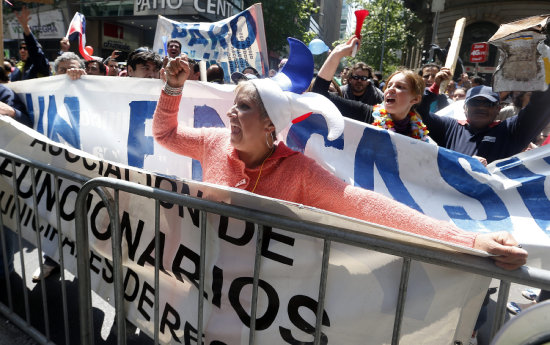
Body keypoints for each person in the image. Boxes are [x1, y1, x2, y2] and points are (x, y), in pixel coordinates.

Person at [152, 53, 527, 271]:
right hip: (203, 279)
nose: (231, 113)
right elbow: (165, 135)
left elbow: (375, 208)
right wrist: (173, 88)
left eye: (243, 106)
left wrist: (472, 240)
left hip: (259, 297)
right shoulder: (212, 143)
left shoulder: (298, 171)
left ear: (270, 124)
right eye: (234, 104)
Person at [311, 36, 433, 142]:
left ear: (415, 99)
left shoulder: (421, 133)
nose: (390, 90)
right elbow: (319, 94)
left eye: (400, 87)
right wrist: (337, 53)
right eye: (389, 86)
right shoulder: (366, 114)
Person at [420, 70, 550, 165]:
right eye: (475, 103)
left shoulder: (512, 131)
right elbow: (418, 112)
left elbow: (541, 105)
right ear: (465, 108)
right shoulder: (449, 128)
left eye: (488, 103)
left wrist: (541, 68)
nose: (481, 107)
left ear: (498, 109)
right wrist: (435, 86)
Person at [10, 6, 51, 82]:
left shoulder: (40, 65)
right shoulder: (17, 67)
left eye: (26, 48)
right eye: (20, 48)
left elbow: (34, 50)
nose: (22, 51)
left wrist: (25, 27)